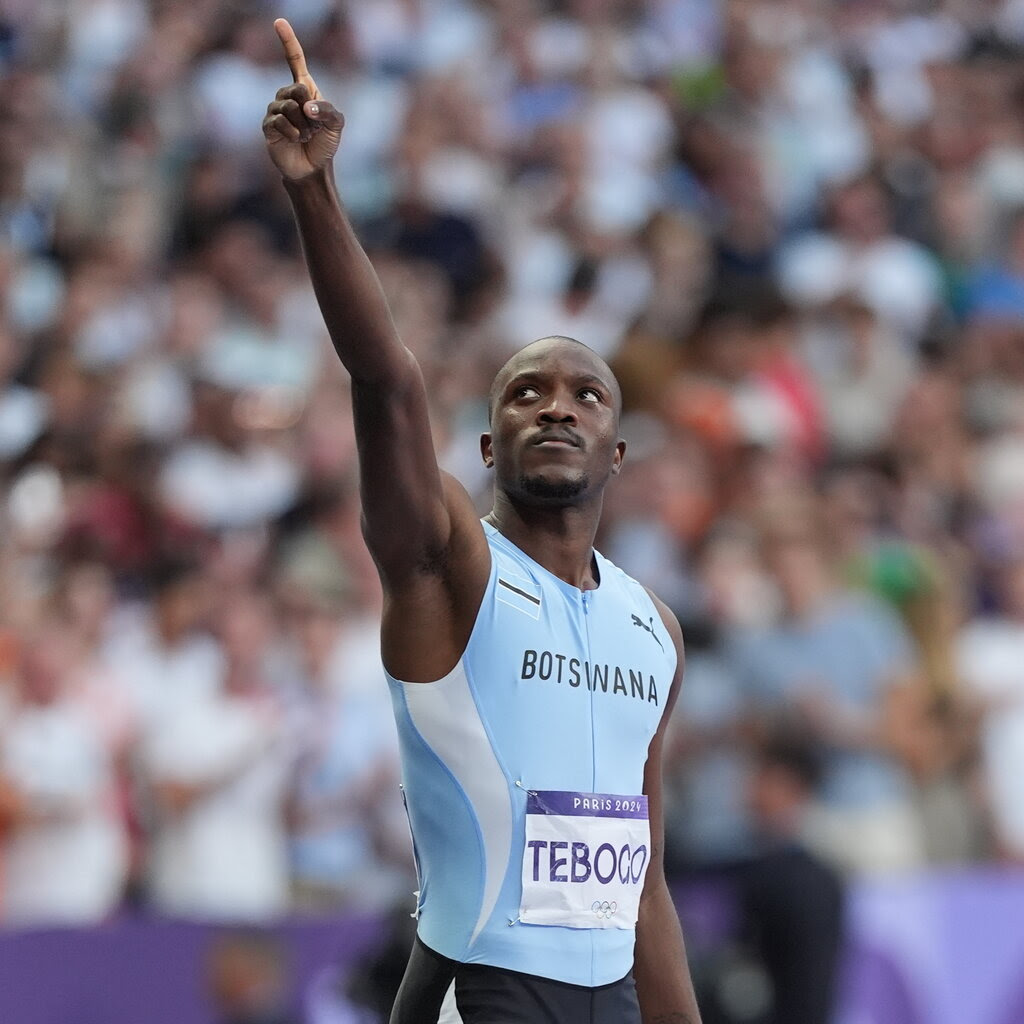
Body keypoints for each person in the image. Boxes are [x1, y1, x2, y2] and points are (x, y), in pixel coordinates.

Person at [262, 19, 701, 1024]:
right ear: (488, 448)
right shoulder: (448, 563)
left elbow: (644, 886)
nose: (556, 405)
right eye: (525, 393)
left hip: (615, 998)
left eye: (586, 395)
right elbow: (385, 377)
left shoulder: (655, 629)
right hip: (478, 990)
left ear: (618, 452)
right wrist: (314, 190)